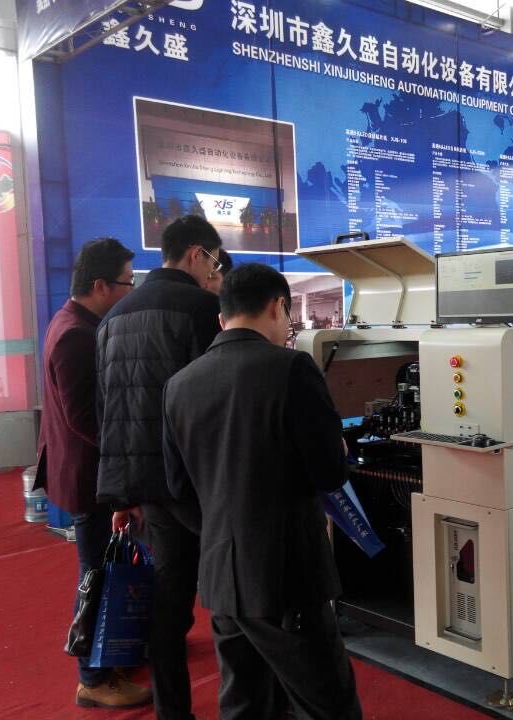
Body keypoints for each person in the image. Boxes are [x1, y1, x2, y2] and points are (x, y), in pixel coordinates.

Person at [162, 264, 362, 720]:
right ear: (278, 307)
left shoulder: (178, 385)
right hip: (286, 579)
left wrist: (223, 536)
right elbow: (330, 474)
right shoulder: (291, 369)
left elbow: (178, 489)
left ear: (222, 318)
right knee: (327, 704)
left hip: (222, 579)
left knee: (246, 703)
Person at [96, 215, 223, 720]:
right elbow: (214, 399)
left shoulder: (113, 318)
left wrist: (122, 495)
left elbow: (109, 410)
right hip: (197, 480)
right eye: (213, 261)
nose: (214, 272)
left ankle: (173, 711)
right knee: (233, 592)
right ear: (196, 254)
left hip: (147, 485)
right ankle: (251, 702)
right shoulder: (201, 308)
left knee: (169, 604)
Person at [34, 238, 151, 709]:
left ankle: (109, 657)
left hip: (86, 472)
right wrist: (130, 455)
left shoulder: (73, 323)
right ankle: (94, 678)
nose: (130, 291)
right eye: (127, 282)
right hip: (90, 477)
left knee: (104, 567)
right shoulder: (76, 336)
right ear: (101, 285)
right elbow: (86, 418)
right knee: (98, 574)